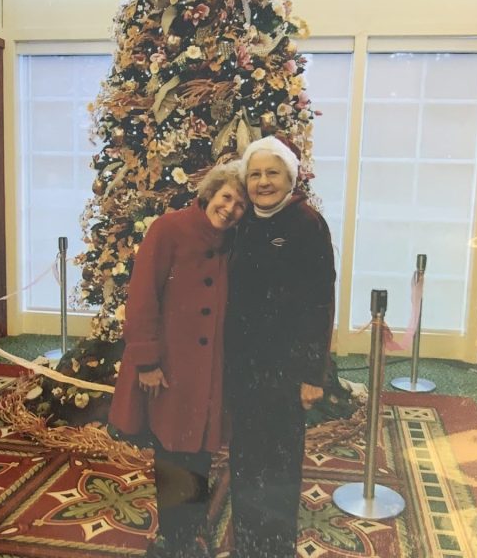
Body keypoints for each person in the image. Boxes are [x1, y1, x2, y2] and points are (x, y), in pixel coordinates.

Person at [109, 162, 248, 558]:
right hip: (171, 369)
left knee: (200, 452)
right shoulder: (169, 228)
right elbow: (142, 298)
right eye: (226, 197)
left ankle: (190, 537)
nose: (230, 208)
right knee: (172, 452)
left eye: (240, 204)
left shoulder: (232, 241)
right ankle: (173, 539)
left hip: (210, 372)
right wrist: (148, 362)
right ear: (210, 192)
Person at [224, 135, 336, 558]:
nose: (263, 182)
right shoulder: (243, 223)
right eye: (255, 174)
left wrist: (312, 376)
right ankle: (247, 545)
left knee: (280, 464)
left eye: (272, 173)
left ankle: (275, 548)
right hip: (243, 368)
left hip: (286, 374)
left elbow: (319, 305)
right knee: (245, 459)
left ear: (290, 177)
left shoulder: (307, 224)